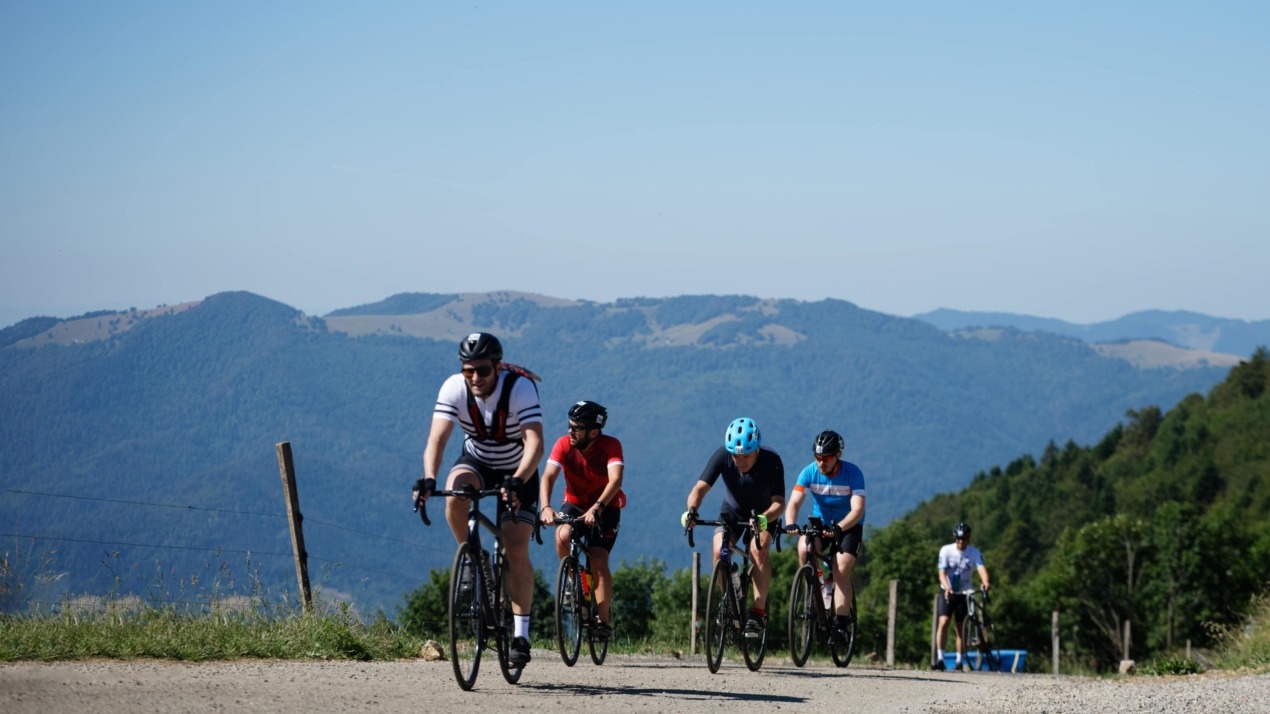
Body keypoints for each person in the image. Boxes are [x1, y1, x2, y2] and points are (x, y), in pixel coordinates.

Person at [413, 332, 544, 666]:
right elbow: (438, 440)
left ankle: (521, 635)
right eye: (468, 370)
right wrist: (428, 478)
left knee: (516, 546)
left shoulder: (520, 388)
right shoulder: (454, 388)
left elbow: (535, 444)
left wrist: (517, 481)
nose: (474, 378)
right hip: (477, 461)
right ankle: (472, 556)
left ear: (497, 367)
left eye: (482, 370)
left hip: (519, 468)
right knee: (454, 496)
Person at [681, 417, 785, 638]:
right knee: (720, 552)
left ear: (756, 449)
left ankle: (758, 612)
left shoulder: (772, 460)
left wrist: (764, 519)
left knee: (758, 551)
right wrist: (692, 510)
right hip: (733, 512)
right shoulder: (722, 455)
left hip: (765, 515)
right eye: (735, 456)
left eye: (745, 455)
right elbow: (699, 489)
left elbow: (779, 503)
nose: (740, 461)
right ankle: (728, 599)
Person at [538, 400, 625, 641]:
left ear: (594, 432)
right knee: (562, 535)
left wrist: (597, 507)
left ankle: (603, 621)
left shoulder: (610, 445)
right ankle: (574, 585)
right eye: (570, 425)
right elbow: (548, 476)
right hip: (575, 502)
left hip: (606, 506)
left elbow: (615, 481)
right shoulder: (564, 444)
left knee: (597, 558)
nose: (570, 431)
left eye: (576, 427)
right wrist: (546, 507)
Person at [782, 429, 865, 639]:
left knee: (841, 569)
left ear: (838, 455)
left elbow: (857, 510)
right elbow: (794, 501)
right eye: (817, 457)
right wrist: (791, 523)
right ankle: (818, 588)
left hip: (848, 526)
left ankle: (841, 624)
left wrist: (840, 527)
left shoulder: (853, 473)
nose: (821, 462)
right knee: (805, 548)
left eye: (826, 458)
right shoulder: (808, 472)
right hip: (820, 524)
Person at [933, 521, 991, 672]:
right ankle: (940, 658)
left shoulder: (974, 553)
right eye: (958, 538)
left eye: (964, 539)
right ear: (954, 538)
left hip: (964, 593)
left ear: (968, 538)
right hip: (948, 591)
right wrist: (947, 588)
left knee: (960, 628)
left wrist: (985, 583)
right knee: (943, 622)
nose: (961, 541)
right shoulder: (946, 550)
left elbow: (981, 569)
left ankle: (959, 661)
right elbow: (942, 573)